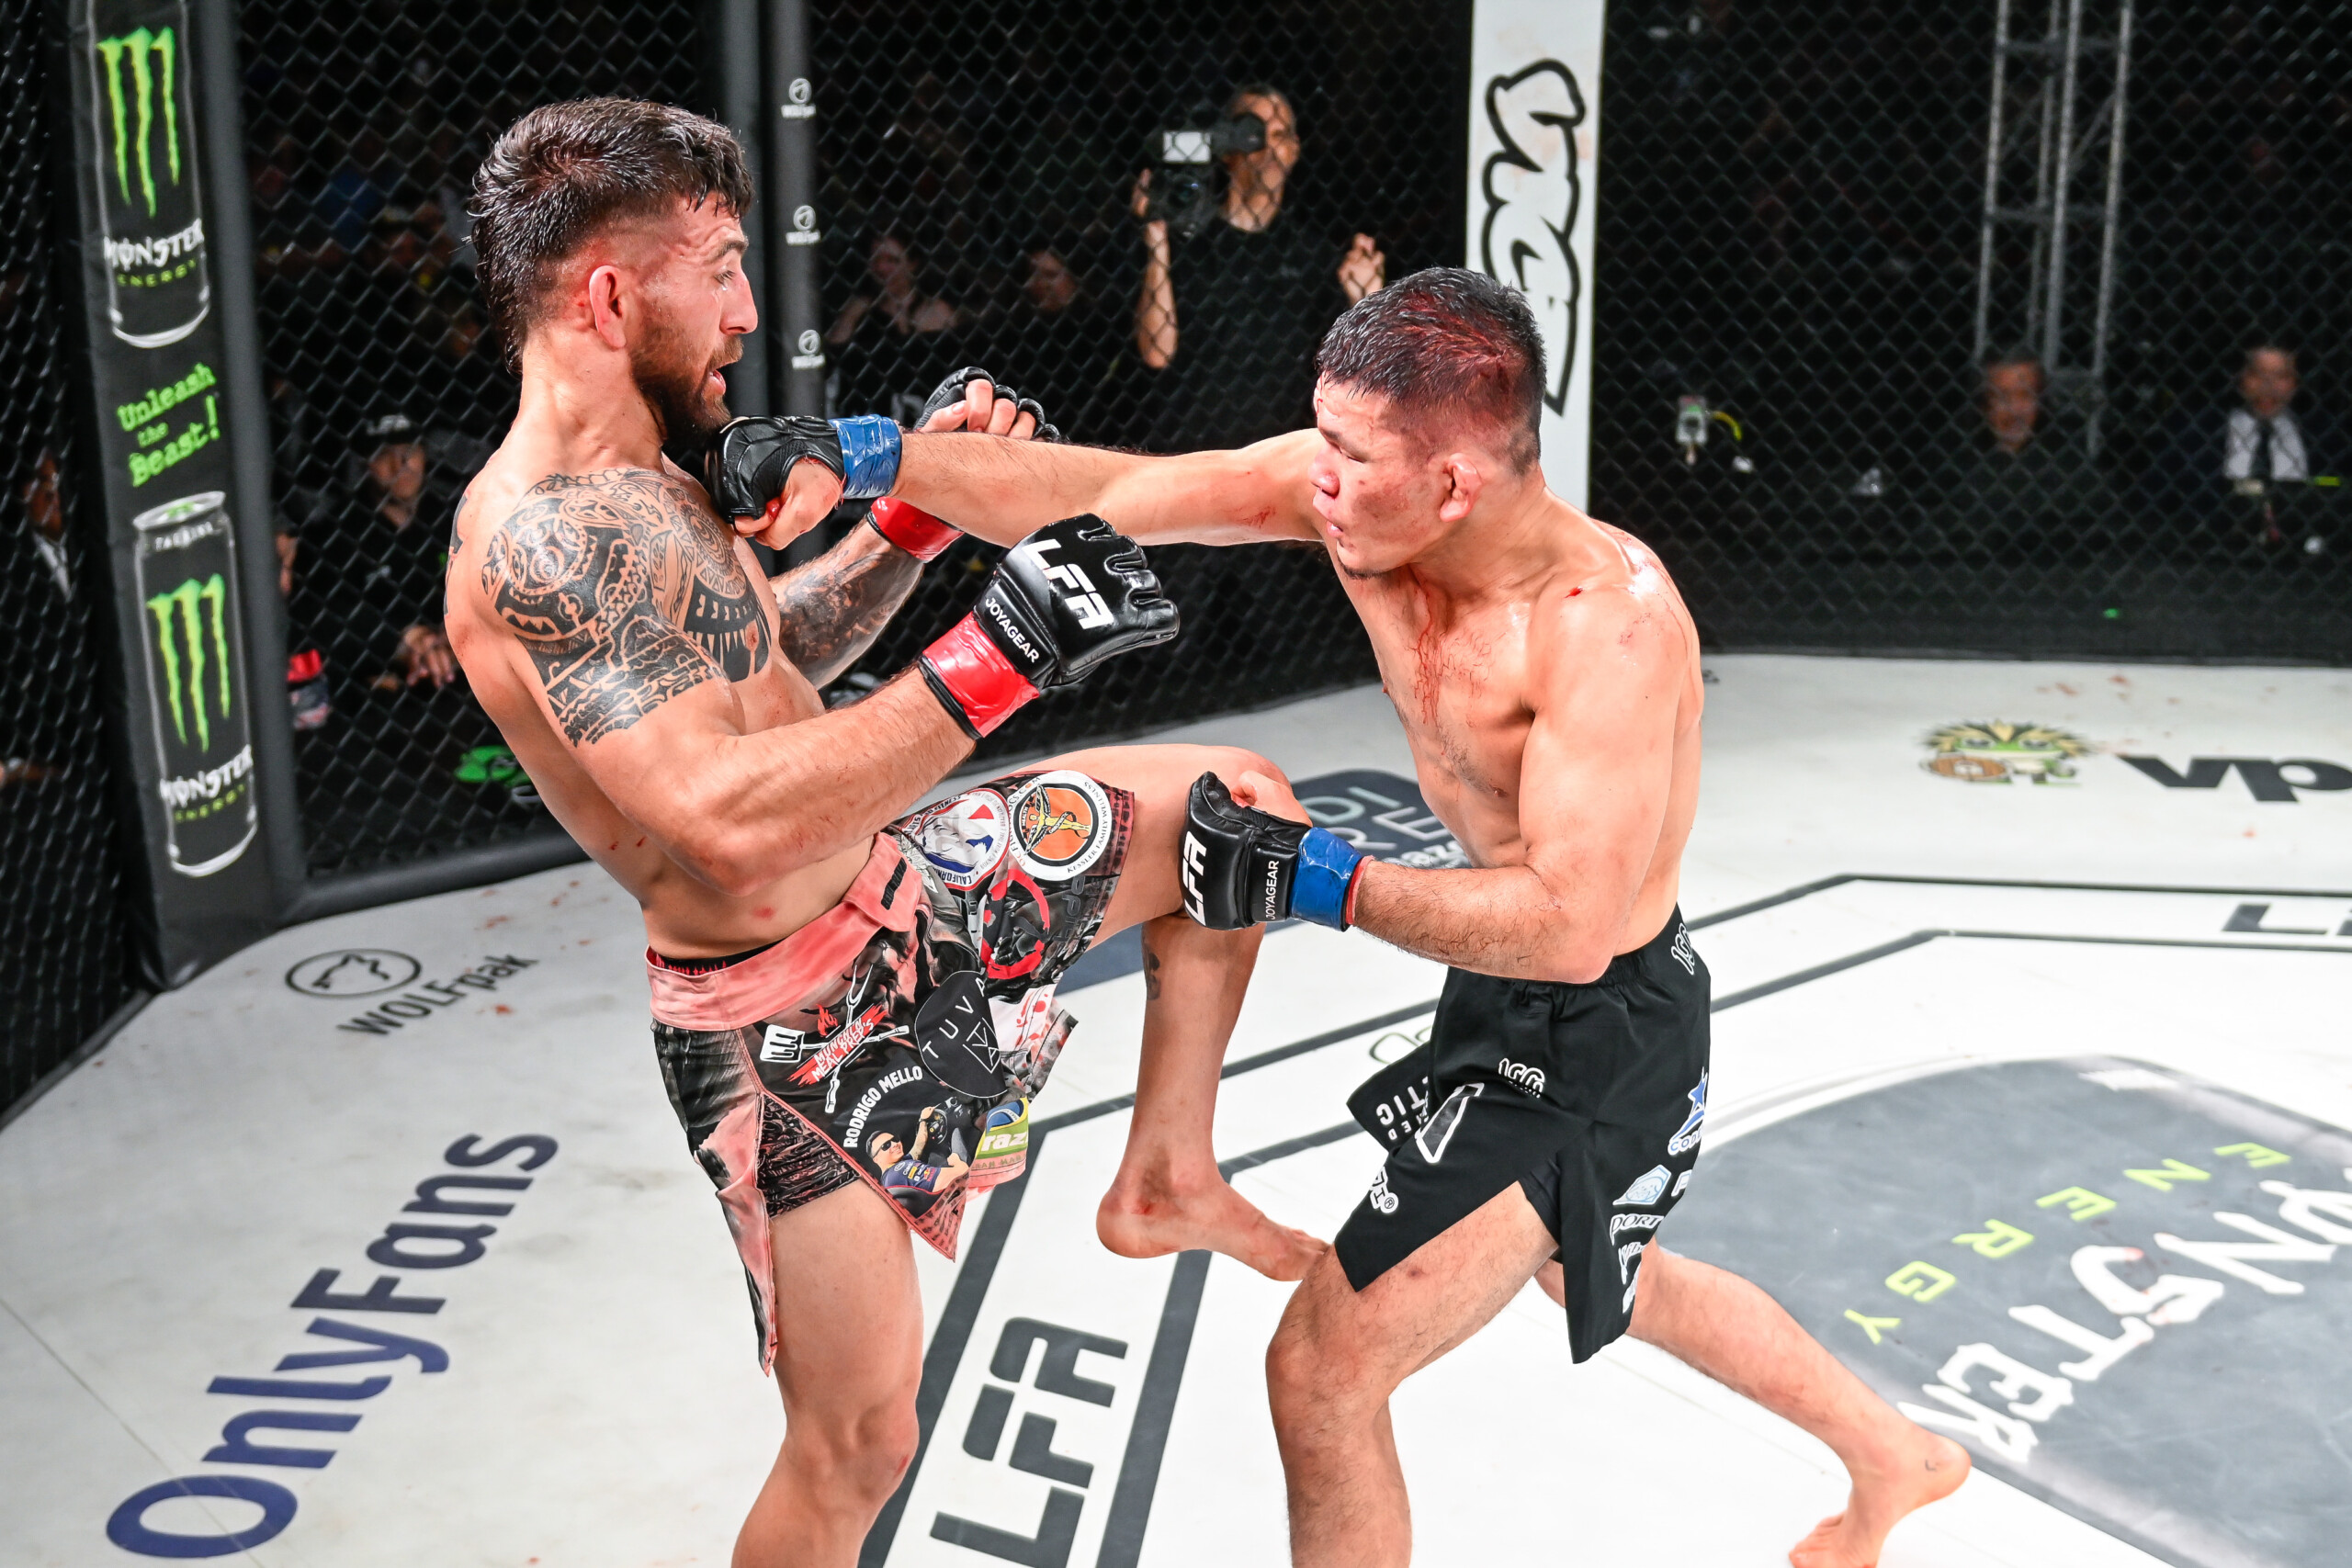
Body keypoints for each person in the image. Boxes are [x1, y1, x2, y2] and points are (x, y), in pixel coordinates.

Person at [744, 266, 1970, 1568]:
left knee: (1323, 1373)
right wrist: (868, 456)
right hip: (1515, 988)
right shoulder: (1359, 503)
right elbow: (1104, 490)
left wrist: (1319, 879)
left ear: (1454, 484)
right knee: (1602, 1266)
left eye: (1352, 455)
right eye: (1320, 436)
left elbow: (1570, 927)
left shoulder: (1604, 632)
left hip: (1598, 1030)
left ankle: (1891, 1455)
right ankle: (1897, 1454)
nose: (1316, 476)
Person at [442, 98, 1322, 1568]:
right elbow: (723, 818)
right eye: (719, 268)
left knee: (1235, 806)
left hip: (907, 887)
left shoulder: (661, 467)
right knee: (857, 1446)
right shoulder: (542, 533)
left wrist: (908, 536)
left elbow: (758, 657)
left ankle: (1166, 1171)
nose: (745, 310)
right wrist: (1003, 650)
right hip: (780, 1027)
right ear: (608, 294)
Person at [1130, 85, 1385, 450]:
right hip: (1189, 451)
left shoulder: (1315, 257)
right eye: (1252, 133)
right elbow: (1157, 352)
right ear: (1228, 147)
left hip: (1275, 456)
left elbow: (1358, 380)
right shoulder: (1188, 241)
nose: (1266, 145)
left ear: (1294, 149)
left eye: (1279, 134)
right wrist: (1156, 241)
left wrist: (1367, 301)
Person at [2144, 343, 2338, 550]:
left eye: (2281, 376)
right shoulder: (2195, 433)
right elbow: (2154, 502)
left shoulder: (2325, 436)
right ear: (2239, 378)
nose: (2268, 386)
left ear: (2297, 383)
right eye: (2257, 374)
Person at [1937, 351, 2114, 549]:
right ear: (1983, 404)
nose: (2015, 411)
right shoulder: (1954, 466)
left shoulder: (2070, 465)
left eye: (2026, 396)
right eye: (2003, 397)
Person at [824, 229, 970, 424]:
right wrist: (852, 314)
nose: (881, 268)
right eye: (875, 260)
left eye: (891, 260)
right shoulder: (860, 310)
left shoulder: (936, 311)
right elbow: (833, 354)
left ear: (912, 264)